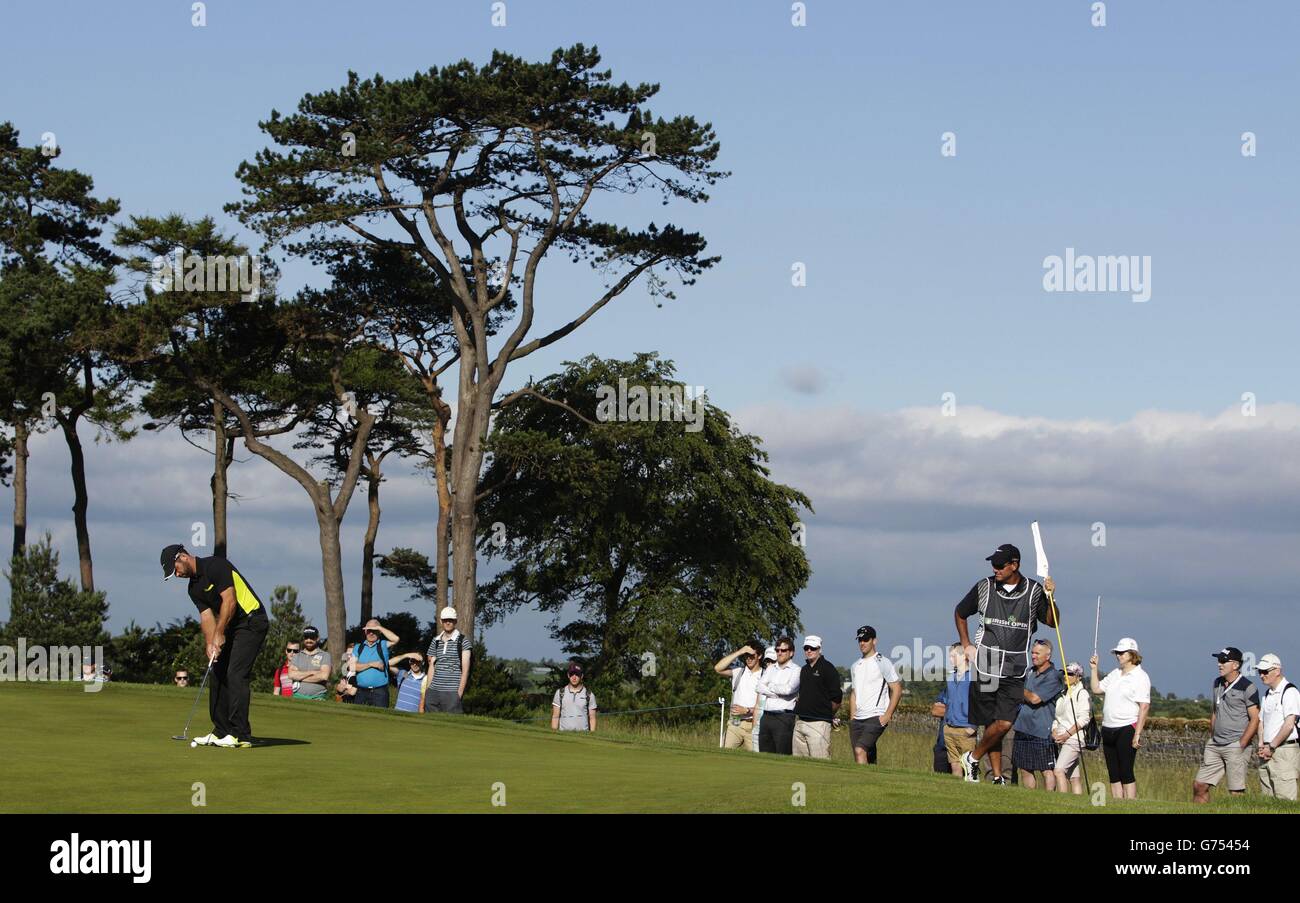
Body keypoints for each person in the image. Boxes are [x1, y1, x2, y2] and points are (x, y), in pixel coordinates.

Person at [954, 543, 1059, 784]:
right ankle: (998, 776)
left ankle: (972, 757)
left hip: (1016, 666)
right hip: (986, 662)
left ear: (1015, 565)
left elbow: (1053, 621)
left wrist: (1052, 596)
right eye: (993, 564)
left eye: (1000, 565)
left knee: (1004, 722)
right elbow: (960, 612)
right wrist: (966, 643)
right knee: (993, 723)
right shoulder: (984, 586)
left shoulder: (1033, 591)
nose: (995, 568)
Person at [161, 544, 268, 748]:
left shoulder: (215, 565)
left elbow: (229, 601)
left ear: (182, 557)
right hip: (233, 625)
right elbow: (206, 616)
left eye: (175, 569)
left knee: (236, 674)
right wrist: (211, 644)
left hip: (253, 620)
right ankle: (221, 731)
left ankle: (240, 734)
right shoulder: (193, 588)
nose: (176, 574)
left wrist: (219, 633)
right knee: (217, 670)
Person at [1192, 647, 1259, 803]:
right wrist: (1212, 737)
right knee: (1199, 785)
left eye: (1223, 661)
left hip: (1235, 744)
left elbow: (1255, 719)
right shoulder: (1217, 683)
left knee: (1236, 791)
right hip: (1215, 743)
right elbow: (1215, 711)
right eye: (1218, 660)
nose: (1219, 664)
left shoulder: (1248, 687)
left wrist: (1241, 744)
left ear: (1235, 665)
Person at [1089, 637, 1151, 800]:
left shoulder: (1140, 676)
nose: (1118, 655)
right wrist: (1094, 669)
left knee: (1126, 771)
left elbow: (1144, 706)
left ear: (1132, 654)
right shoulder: (1115, 674)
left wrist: (1137, 734)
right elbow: (1096, 689)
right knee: (1113, 773)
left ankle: (1130, 805)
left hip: (1126, 728)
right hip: (1108, 727)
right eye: (1117, 653)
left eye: (1122, 653)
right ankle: (1117, 805)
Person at [1011, 639, 1064, 790]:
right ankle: (1031, 800)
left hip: (1042, 730)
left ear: (1047, 656)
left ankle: (1048, 801)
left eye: (1037, 653)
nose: (1033, 656)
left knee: (1046, 770)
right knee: (1025, 768)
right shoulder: (1029, 672)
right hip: (1022, 727)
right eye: (1032, 652)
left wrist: (1018, 688)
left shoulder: (1054, 677)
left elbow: (1035, 699)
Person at [848, 626, 901, 765]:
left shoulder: (883, 662)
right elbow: (854, 693)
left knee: (860, 750)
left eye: (866, 639)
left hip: (876, 716)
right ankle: (873, 781)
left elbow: (896, 689)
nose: (862, 643)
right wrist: (852, 718)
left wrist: (887, 715)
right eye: (860, 640)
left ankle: (861, 785)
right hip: (857, 719)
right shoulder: (855, 666)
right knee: (865, 755)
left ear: (874, 641)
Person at [1255, 653, 1300, 801]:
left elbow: (1289, 724)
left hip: (1284, 750)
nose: (1261, 675)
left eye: (1265, 671)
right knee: (1268, 801)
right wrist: (1261, 744)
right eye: (1259, 672)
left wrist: (1272, 746)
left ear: (1277, 670)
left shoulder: (1290, 691)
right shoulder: (1267, 694)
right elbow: (1261, 721)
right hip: (1268, 750)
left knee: (1285, 800)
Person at [792, 635, 842, 759]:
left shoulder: (828, 668)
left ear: (819, 649)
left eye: (813, 648)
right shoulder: (804, 670)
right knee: (799, 763)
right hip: (800, 722)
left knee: (820, 763)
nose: (809, 651)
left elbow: (837, 698)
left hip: (819, 724)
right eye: (806, 648)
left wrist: (826, 714)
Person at [933, 642, 976, 776]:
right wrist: (946, 726)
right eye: (950, 656)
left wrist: (973, 726)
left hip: (966, 728)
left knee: (970, 767)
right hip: (949, 728)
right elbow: (945, 703)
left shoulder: (973, 678)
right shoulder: (951, 678)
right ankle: (956, 792)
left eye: (954, 656)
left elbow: (979, 704)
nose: (951, 659)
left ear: (964, 656)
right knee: (955, 766)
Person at [1051, 662, 1092, 794]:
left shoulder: (1082, 693)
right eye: (1064, 673)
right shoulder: (1063, 694)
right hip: (1062, 739)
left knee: (1058, 771)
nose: (1066, 676)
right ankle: (1077, 805)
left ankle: (1062, 802)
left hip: (1074, 739)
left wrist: (1067, 734)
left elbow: (1084, 719)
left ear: (1078, 677)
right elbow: (1058, 718)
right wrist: (1054, 730)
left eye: (1070, 674)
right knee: (1074, 777)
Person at [714, 642, 764, 749]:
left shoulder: (765, 675)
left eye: (752, 656)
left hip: (753, 725)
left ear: (759, 656)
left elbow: (765, 704)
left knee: (755, 761)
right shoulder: (739, 671)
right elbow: (718, 668)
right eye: (746, 656)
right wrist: (740, 651)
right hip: (734, 723)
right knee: (724, 756)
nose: (749, 659)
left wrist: (747, 710)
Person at [755, 637, 800, 755]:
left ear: (791, 653)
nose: (779, 653)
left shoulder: (796, 670)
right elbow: (759, 687)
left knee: (782, 754)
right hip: (766, 716)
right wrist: (775, 693)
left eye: (783, 650)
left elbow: (788, 690)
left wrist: (770, 686)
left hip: (784, 717)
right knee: (764, 754)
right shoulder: (770, 668)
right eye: (777, 650)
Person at [422, 607, 470, 714]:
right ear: (441, 621)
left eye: (450, 620)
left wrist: (459, 694)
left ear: (455, 621)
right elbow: (431, 666)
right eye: (445, 620)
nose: (448, 622)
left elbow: (465, 670)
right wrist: (428, 690)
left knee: (452, 726)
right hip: (433, 691)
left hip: (452, 692)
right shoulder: (436, 641)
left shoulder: (463, 641)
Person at [351, 618, 400, 708]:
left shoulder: (383, 644)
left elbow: (396, 639)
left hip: (380, 692)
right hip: (361, 691)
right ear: (365, 631)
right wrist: (371, 664)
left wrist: (379, 628)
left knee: (381, 720)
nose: (371, 633)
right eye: (369, 630)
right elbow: (352, 667)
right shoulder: (358, 647)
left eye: (374, 631)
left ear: (379, 631)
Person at [551, 663, 597, 732]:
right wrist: (554, 734)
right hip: (563, 735)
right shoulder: (560, 693)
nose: (574, 677)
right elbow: (555, 716)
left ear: (581, 676)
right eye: (572, 674)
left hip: (583, 736)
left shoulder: (589, 695)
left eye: (577, 674)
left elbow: (592, 718)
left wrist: (592, 735)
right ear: (568, 675)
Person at [288, 627, 331, 699]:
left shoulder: (325, 655)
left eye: (312, 637)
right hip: (297, 697)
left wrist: (299, 677)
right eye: (306, 637)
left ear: (317, 638)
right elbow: (291, 675)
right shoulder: (297, 656)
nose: (309, 640)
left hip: (318, 698)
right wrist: (312, 673)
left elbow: (324, 676)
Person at [752, 647, 777, 752]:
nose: (769, 664)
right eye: (767, 661)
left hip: (775, 729)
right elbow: (757, 705)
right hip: (758, 729)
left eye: (772, 661)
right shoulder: (762, 681)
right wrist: (754, 728)